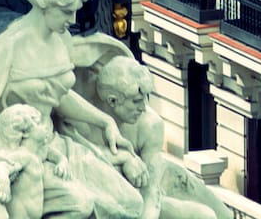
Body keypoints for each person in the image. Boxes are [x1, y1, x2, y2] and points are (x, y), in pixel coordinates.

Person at [0, 0, 140, 219]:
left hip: (56, 144)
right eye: (67, 12)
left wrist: (105, 121)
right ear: (45, 6)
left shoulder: (62, 41)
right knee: (83, 206)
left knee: (131, 203)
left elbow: (58, 95)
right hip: (24, 154)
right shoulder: (8, 48)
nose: (72, 19)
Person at [95, 62, 226, 219]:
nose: (143, 107)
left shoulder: (150, 124)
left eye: (146, 98)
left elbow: (151, 192)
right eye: (136, 101)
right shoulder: (88, 121)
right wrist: (125, 158)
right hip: (124, 192)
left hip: (163, 181)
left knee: (217, 214)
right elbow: (81, 156)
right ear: (112, 101)